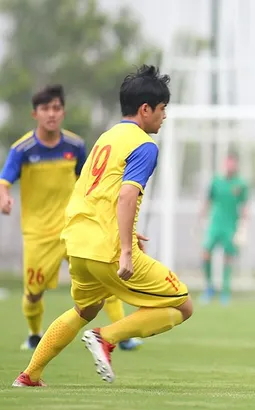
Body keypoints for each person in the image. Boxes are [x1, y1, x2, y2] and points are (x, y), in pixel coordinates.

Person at [12, 65, 194, 387]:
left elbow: (93, 192)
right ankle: (106, 338)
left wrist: (124, 230)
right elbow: (125, 195)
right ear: (145, 109)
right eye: (163, 109)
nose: (164, 116)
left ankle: (30, 374)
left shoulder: (105, 138)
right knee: (183, 305)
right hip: (106, 249)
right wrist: (126, 248)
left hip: (78, 243)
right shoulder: (144, 144)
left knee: (85, 308)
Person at [0, 84, 141, 352]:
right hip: (39, 234)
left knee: (104, 276)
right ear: (35, 114)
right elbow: (4, 181)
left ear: (63, 112)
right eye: (45, 109)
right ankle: (33, 334)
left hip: (75, 226)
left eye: (56, 108)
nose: (51, 114)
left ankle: (122, 334)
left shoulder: (75, 146)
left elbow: (90, 181)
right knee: (33, 292)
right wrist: (4, 197)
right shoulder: (23, 149)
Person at [200, 154, 249, 305]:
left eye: (232, 164)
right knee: (206, 253)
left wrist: (243, 228)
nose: (229, 166)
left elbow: (244, 206)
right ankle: (209, 288)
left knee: (228, 257)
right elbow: (208, 201)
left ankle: (225, 292)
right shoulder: (216, 181)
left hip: (231, 225)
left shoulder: (241, 184)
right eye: (227, 163)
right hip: (215, 224)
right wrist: (201, 219)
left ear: (236, 165)